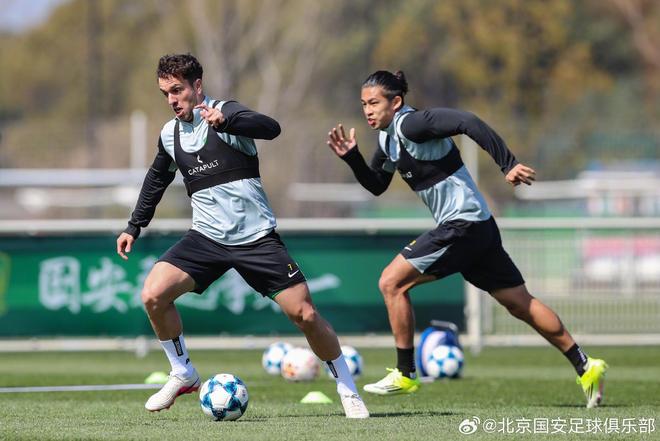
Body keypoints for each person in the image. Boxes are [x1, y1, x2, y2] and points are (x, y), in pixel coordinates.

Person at [327, 70, 607, 408]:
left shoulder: (411, 124)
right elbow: (376, 185)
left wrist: (508, 164)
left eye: (374, 103)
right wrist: (352, 157)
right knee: (520, 303)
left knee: (391, 283)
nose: (367, 110)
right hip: (478, 226)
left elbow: (468, 121)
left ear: (396, 101)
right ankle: (586, 365)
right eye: (363, 104)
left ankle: (405, 372)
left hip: (462, 224)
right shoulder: (387, 140)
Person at [116, 53, 369, 418]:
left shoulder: (226, 113)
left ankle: (347, 387)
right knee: (153, 294)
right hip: (206, 238)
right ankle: (182, 372)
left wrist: (228, 121)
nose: (171, 99)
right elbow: (157, 178)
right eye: (165, 93)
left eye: (177, 90)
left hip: (256, 238)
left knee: (306, 315)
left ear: (197, 86)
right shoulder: (169, 134)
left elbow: (271, 127)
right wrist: (134, 226)